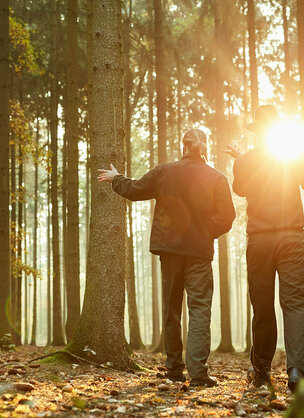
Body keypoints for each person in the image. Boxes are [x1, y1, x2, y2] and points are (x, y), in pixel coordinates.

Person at [98, 128, 235, 388]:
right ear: (204, 147)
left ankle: (173, 369)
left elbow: (136, 189)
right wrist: (207, 231)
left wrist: (117, 178)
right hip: (199, 253)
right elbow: (227, 216)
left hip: (170, 252)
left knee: (172, 310)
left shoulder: (165, 171)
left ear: (183, 146)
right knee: (199, 311)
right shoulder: (216, 177)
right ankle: (198, 373)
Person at [225, 105, 304, 392]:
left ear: (257, 131)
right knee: (295, 304)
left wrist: (241, 160)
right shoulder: (291, 156)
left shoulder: (244, 162)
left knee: (262, 305)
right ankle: (295, 372)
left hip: (260, 240)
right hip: (291, 237)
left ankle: (262, 369)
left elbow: (239, 189)